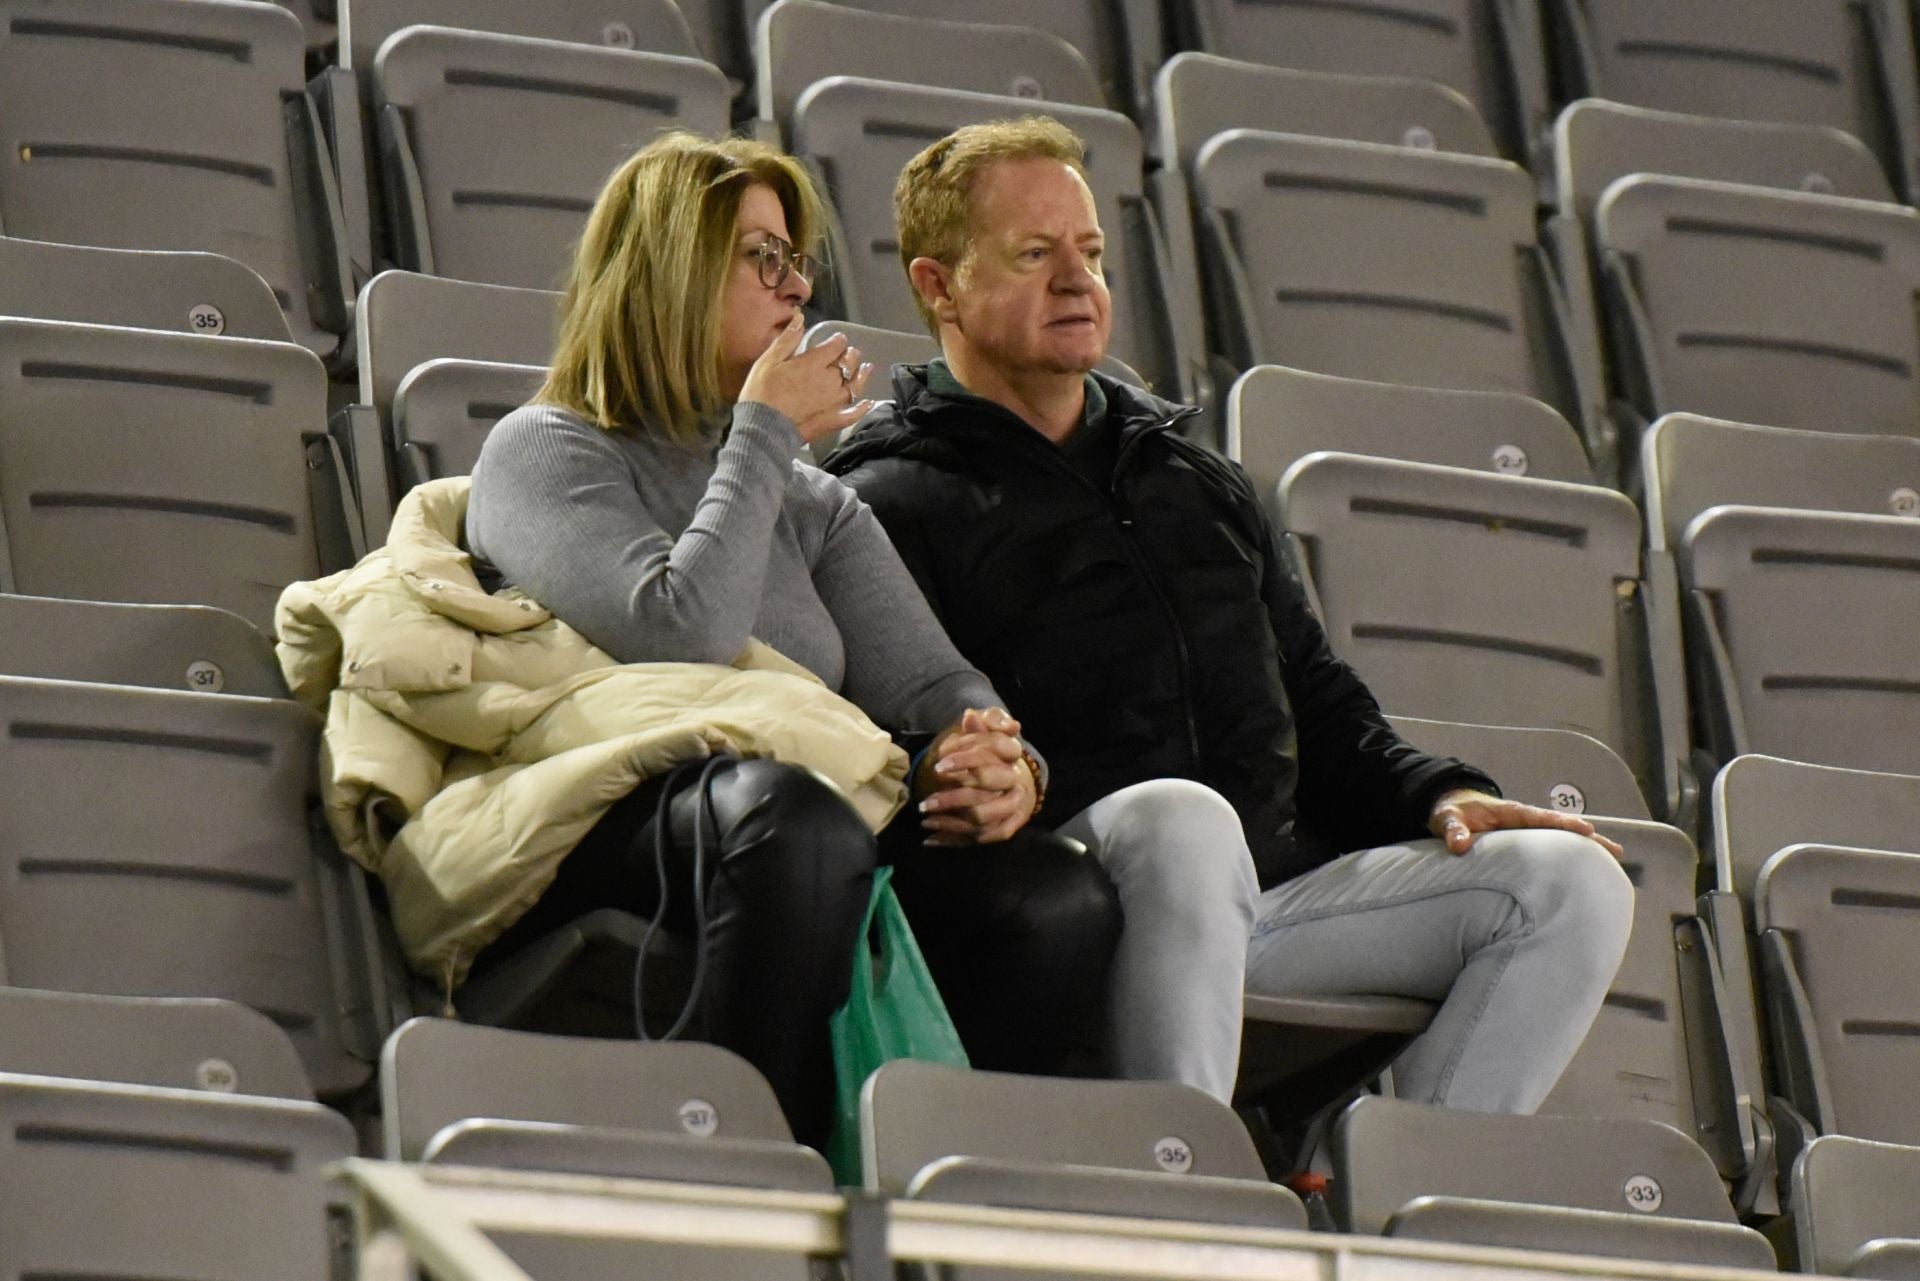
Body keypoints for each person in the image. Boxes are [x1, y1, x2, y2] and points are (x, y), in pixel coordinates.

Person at [826, 117, 1636, 1115]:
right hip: (1063, 896)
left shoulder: (1198, 483)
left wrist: (1440, 797)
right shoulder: (885, 496)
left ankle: (1409, 1228)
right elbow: (882, 746)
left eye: (1090, 254)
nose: (1079, 282)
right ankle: (1182, 1187)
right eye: (1034, 256)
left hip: (1260, 897)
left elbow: (1323, 707)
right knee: (1184, 817)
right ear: (938, 285)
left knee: (1571, 881)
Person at [461, 133, 1043, 1148]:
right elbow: (682, 636)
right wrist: (764, 433)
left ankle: (957, 1200)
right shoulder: (545, 448)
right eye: (762, 257)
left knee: (1051, 894)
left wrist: (1004, 759)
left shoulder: (812, 502)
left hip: (766, 804)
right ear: (672, 266)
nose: (797, 286)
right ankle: (757, 1182)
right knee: (801, 825)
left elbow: (937, 679)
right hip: (607, 805)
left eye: (798, 257)